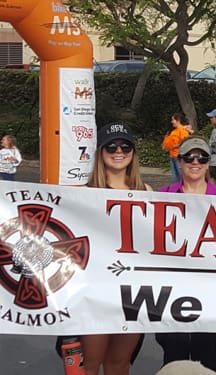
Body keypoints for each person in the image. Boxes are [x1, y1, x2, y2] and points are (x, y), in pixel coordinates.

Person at [81, 121, 149, 375]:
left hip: (133, 289)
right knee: (89, 363)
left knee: (120, 363)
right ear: (101, 151)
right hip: (95, 289)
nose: (119, 151)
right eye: (111, 146)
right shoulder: (84, 193)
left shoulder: (147, 192)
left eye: (125, 146)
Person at [157, 136, 216, 371]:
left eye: (202, 157)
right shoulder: (162, 195)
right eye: (189, 157)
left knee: (206, 355)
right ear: (179, 162)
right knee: (174, 356)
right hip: (171, 288)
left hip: (210, 288)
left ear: (208, 163)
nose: (195, 162)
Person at [162, 112, 192, 184]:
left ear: (178, 120)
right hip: (172, 156)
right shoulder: (174, 131)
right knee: (175, 177)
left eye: (173, 120)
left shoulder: (182, 130)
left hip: (179, 156)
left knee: (180, 175)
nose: (172, 122)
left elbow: (186, 141)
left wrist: (175, 146)